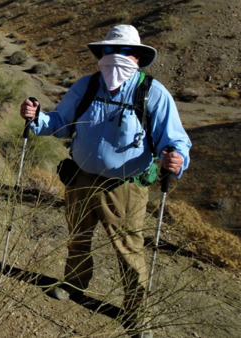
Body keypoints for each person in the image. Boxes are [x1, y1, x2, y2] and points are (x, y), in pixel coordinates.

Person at [19, 25, 191, 338]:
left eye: (123, 52)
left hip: (124, 188)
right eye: (109, 51)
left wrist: (176, 160)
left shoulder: (152, 93)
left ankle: (138, 314)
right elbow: (60, 123)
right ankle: (73, 284)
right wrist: (36, 117)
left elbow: (175, 141)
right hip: (81, 178)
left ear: (137, 57)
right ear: (101, 55)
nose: (115, 58)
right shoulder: (85, 87)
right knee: (77, 237)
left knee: (129, 251)